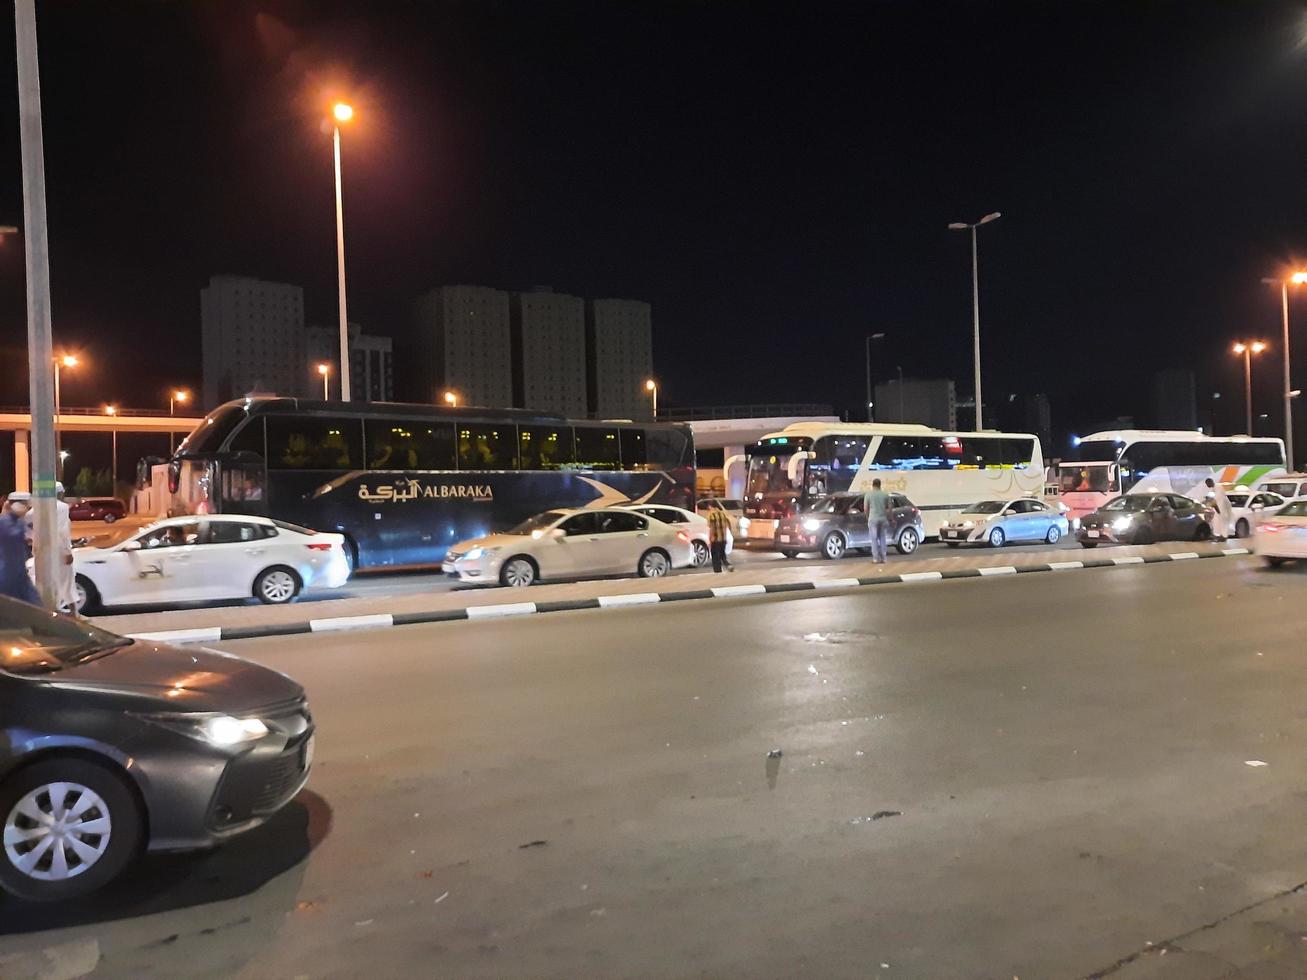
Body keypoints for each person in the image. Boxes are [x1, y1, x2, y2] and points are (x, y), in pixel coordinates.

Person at [0, 493, 41, 605]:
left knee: (34, 606)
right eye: (25, 505)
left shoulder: (20, 522)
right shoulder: (4, 523)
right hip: (6, 574)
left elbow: (28, 538)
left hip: (19, 573)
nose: (27, 508)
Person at [863, 477, 891, 564]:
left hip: (873, 519)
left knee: (874, 539)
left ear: (873, 485)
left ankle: (875, 558)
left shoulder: (868, 495)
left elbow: (865, 508)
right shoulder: (885, 495)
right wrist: (890, 518)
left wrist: (868, 517)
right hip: (883, 519)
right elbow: (890, 508)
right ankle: (884, 558)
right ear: (880, 485)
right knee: (882, 538)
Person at [706, 503, 734, 573]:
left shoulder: (711, 515)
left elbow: (711, 528)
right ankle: (728, 565)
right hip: (723, 538)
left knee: (715, 556)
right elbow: (727, 526)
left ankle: (718, 571)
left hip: (715, 539)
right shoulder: (723, 514)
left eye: (709, 508)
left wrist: (710, 539)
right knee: (722, 554)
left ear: (711, 507)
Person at [1203, 477, 1233, 541]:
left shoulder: (1218, 486)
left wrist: (1210, 503)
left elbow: (1217, 499)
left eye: (1207, 484)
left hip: (1223, 508)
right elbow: (1210, 498)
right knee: (1218, 521)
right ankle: (1220, 535)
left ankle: (1224, 536)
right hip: (1219, 508)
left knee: (1223, 522)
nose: (1207, 485)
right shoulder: (1213, 489)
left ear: (1210, 482)